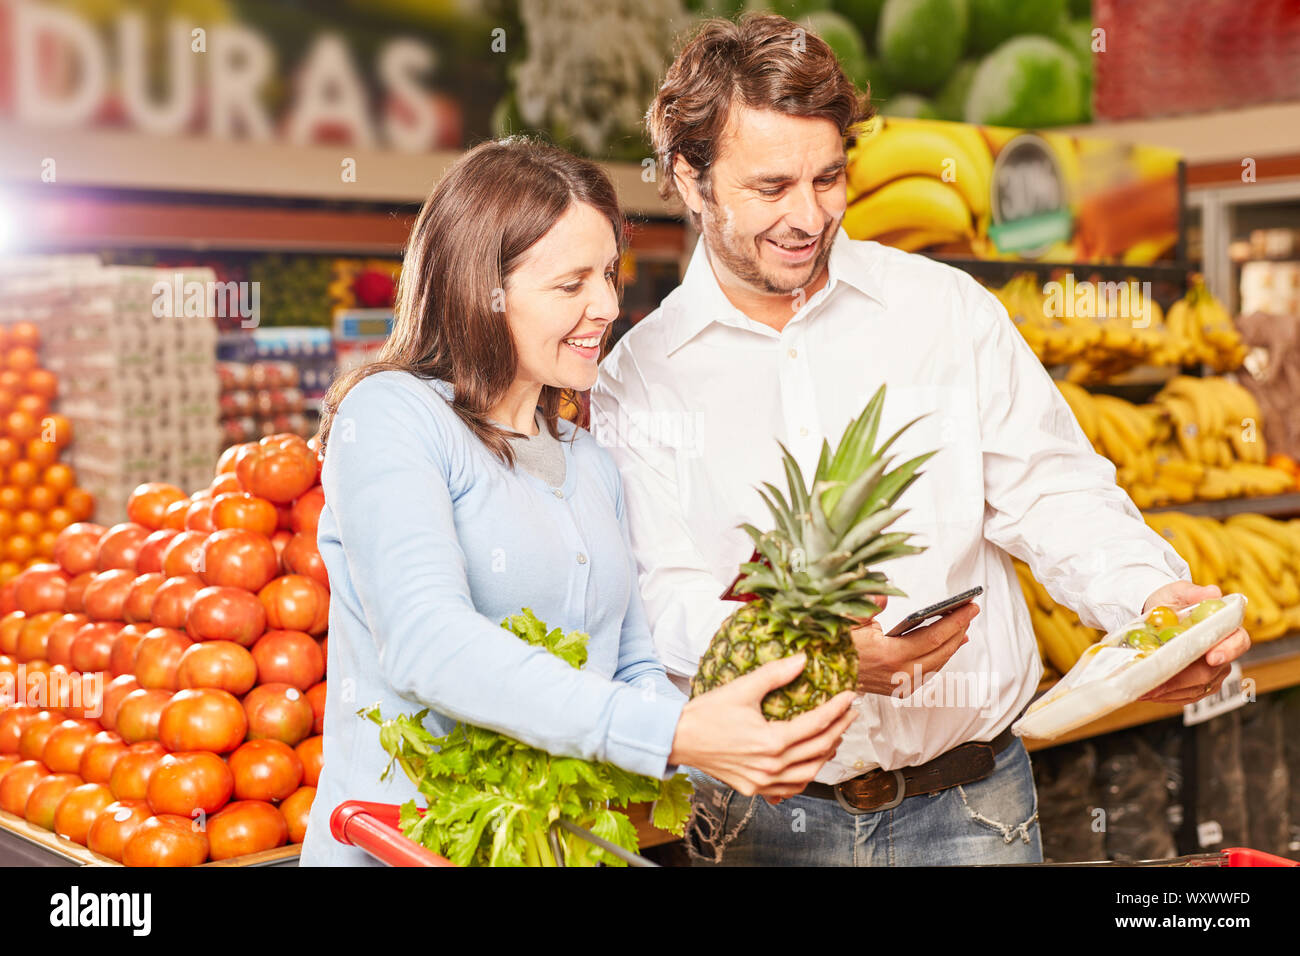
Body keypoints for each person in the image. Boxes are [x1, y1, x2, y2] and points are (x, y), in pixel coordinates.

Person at [589, 14, 1252, 867]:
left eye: (828, 178)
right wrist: (817, 657)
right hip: (764, 818)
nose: (807, 216)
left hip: (972, 807)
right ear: (688, 177)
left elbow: (1054, 489)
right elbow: (662, 595)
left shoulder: (945, 311)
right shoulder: (639, 374)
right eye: (769, 187)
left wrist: (1149, 601)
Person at [298, 137, 860, 866]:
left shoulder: (588, 461)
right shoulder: (392, 417)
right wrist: (670, 736)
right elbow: (425, 639)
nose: (606, 306)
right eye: (570, 286)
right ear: (480, 289)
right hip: (400, 845)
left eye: (608, 274)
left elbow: (628, 667)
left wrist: (725, 739)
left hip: (555, 848)